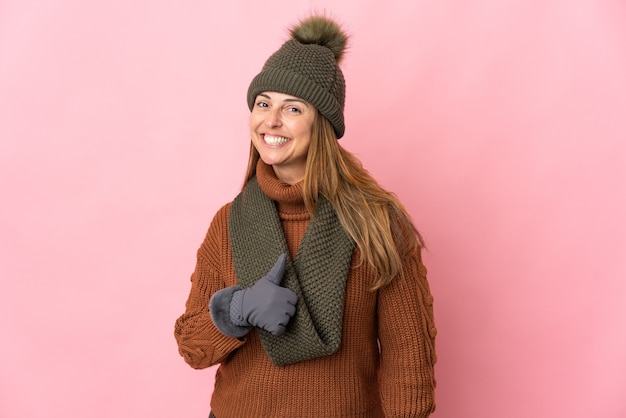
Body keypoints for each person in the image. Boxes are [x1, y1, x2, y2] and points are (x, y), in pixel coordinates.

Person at [174, 14, 437, 418]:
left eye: (292, 108)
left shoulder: (376, 224)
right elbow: (193, 347)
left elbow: (409, 363)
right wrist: (237, 308)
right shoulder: (228, 223)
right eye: (263, 104)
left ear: (323, 124)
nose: (271, 121)